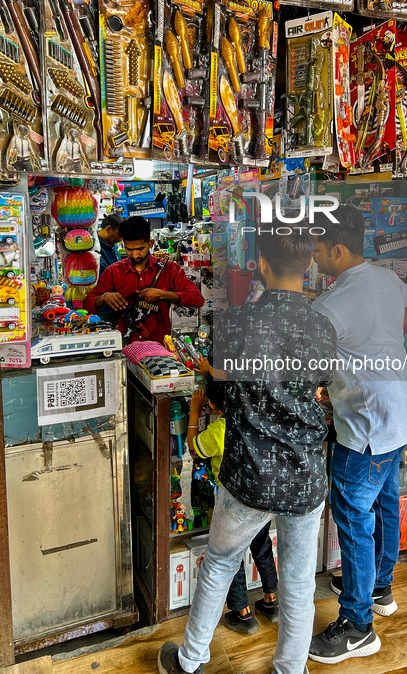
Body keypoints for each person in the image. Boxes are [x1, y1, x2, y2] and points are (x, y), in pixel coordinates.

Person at [158, 226, 337, 674]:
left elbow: (224, 394)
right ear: (309, 264)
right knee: (297, 583)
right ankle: (290, 670)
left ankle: (191, 660)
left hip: (249, 471)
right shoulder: (323, 326)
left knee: (219, 562)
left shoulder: (239, 323)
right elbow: (321, 390)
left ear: (260, 265)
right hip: (305, 473)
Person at [308, 205, 407, 665]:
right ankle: (380, 588)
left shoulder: (330, 305)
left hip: (366, 427)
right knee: (385, 501)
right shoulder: (384, 278)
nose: (313, 259)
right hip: (400, 415)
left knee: (354, 518)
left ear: (337, 249)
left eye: (317, 251)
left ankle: (358, 626)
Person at [187, 388, 279, 636]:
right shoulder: (257, 418)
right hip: (259, 496)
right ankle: (271, 601)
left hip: (233, 500)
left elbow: (194, 448)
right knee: (262, 547)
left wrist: (194, 412)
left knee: (231, 555)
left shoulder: (218, 430)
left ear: (213, 408)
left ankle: (243, 613)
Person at [83, 216, 204, 343]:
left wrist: (162, 295)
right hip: (125, 346)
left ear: (150, 244)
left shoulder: (169, 269)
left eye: (140, 249)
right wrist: (104, 297)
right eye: (129, 249)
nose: (135, 255)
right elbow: (87, 304)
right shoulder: (114, 271)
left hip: (159, 347)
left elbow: (197, 298)